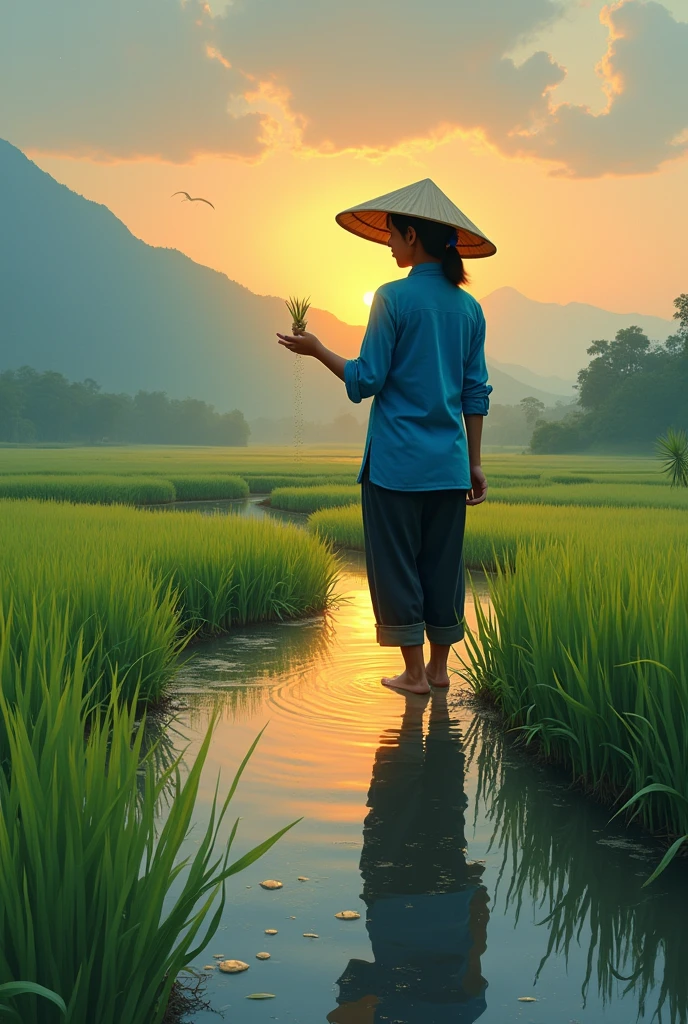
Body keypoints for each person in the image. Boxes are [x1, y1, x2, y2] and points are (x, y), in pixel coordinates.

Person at [277, 179, 495, 695]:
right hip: (449, 464)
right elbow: (475, 391)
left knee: (397, 565)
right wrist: (475, 462)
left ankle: (414, 674)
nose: (390, 246)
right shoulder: (471, 310)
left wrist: (317, 350)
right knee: (443, 566)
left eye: (394, 237)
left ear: (413, 235)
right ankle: (441, 671)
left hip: (396, 464)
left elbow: (365, 379)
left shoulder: (392, 300)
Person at [326, 691, 490, 1024]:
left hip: (451, 895)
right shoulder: (392, 1017)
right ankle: (415, 715)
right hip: (391, 895)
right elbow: (349, 992)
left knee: (445, 797)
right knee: (392, 795)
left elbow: (475, 948)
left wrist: (476, 894)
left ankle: (435, 714)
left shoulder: (466, 1013)